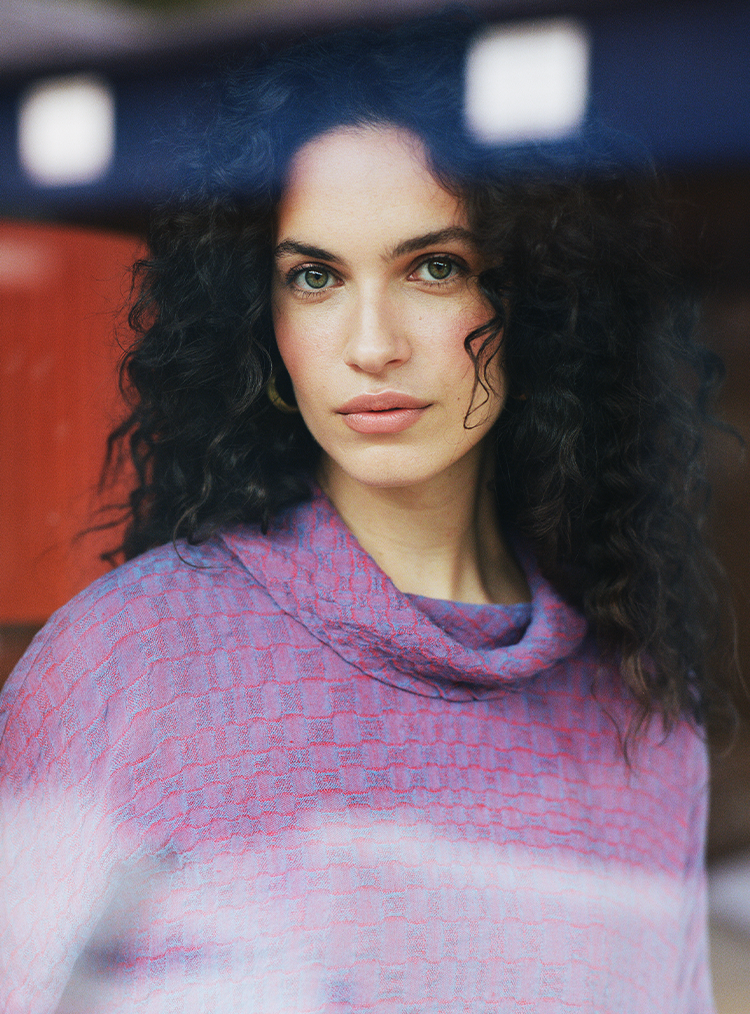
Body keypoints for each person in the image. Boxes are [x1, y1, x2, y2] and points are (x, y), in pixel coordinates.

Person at [0, 15, 728, 1013]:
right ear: (264, 321)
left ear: (541, 301)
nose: (372, 342)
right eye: (316, 277)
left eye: (433, 267)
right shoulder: (133, 662)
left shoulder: (643, 713)